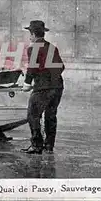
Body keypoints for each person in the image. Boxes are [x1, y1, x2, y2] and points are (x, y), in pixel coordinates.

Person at [21, 20, 65, 155]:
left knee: (33, 115)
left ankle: (36, 145)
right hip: (57, 87)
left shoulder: (33, 48)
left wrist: (27, 84)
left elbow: (32, 68)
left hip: (42, 88)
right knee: (51, 116)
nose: (29, 37)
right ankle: (49, 145)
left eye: (30, 34)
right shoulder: (52, 47)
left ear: (33, 34)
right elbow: (61, 66)